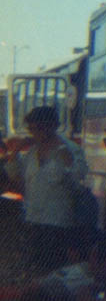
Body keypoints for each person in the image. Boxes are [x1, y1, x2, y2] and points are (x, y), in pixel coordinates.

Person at [1, 106, 89, 272]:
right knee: (36, 269)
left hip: (59, 223)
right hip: (34, 219)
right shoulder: (32, 153)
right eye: (32, 129)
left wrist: (66, 158)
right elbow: (15, 177)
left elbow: (78, 181)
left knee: (54, 269)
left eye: (39, 128)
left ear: (53, 126)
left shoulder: (70, 150)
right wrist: (16, 150)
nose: (35, 133)